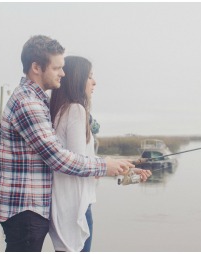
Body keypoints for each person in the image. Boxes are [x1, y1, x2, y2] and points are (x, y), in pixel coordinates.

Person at [0, 35, 134, 252]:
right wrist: (105, 165)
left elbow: (81, 126)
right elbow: (57, 157)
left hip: (28, 208)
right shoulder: (28, 103)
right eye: (57, 67)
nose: (63, 73)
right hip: (25, 209)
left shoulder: (39, 100)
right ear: (36, 67)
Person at [47, 56, 152, 251]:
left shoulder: (60, 110)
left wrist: (125, 168)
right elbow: (80, 165)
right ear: (77, 80)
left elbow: (83, 161)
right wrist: (110, 168)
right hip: (76, 208)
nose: (94, 82)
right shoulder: (76, 110)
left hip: (64, 207)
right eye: (89, 77)